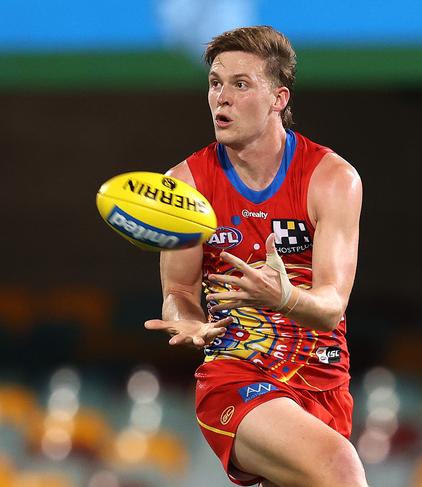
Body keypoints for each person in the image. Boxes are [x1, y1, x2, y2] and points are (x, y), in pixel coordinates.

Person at [144, 25, 367, 487]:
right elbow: (180, 290)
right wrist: (186, 318)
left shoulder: (331, 179)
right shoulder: (185, 186)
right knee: (339, 469)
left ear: (278, 99)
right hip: (235, 375)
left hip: (324, 382)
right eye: (215, 83)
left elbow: (329, 308)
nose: (220, 98)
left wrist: (282, 296)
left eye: (240, 84)